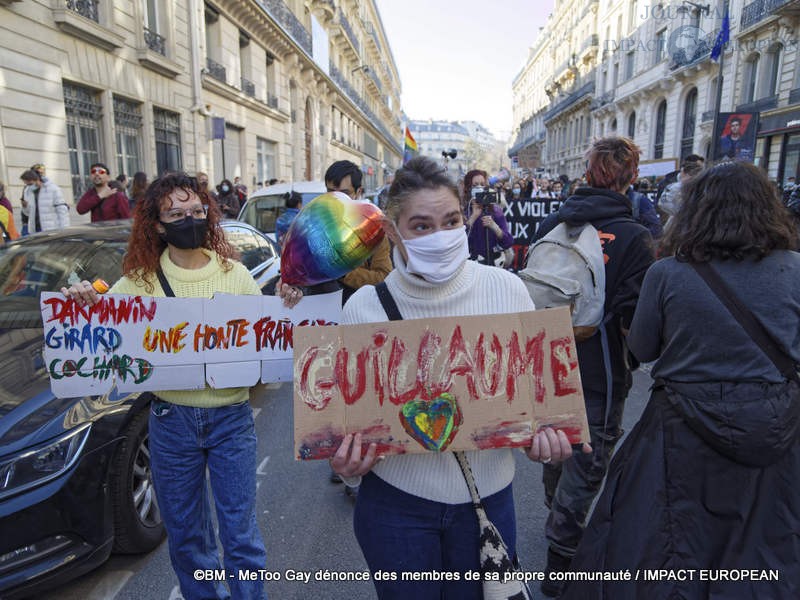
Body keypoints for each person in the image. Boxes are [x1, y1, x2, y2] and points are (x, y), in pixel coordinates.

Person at [329, 155, 582, 599]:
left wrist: (546, 445)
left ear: (466, 218)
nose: (441, 237)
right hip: (394, 510)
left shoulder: (507, 290)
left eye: (450, 220)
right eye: (422, 226)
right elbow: (348, 427)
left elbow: (533, 407)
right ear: (393, 232)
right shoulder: (363, 309)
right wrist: (348, 468)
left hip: (486, 505)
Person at [561, 161, 800, 600]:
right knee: (763, 542)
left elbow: (644, 348)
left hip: (677, 433)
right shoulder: (795, 269)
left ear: (695, 212)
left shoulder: (669, 273)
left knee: (665, 544)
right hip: (777, 426)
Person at [60, 172, 268, 600]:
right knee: (189, 539)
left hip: (231, 419)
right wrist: (83, 300)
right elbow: (104, 317)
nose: (188, 219)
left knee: (240, 537)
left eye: (196, 211)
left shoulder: (235, 275)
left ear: (208, 214)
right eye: (176, 213)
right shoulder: (139, 283)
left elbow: (266, 342)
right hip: (171, 423)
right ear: (157, 223)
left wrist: (290, 300)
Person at [532, 136, 655, 598]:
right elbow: (634, 321)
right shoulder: (634, 237)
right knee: (587, 462)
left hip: (547, 361)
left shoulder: (554, 222)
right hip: (600, 371)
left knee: (554, 446)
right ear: (631, 177)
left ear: (586, 173)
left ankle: (554, 517)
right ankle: (561, 560)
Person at [324, 160, 392, 304]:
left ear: (358, 192)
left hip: (358, 312)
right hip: (320, 313)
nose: (336, 200)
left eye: (344, 193)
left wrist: (342, 272)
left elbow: (383, 278)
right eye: (331, 193)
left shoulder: (372, 229)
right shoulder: (314, 226)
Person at [463, 169, 514, 268]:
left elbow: (508, 242)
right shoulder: (461, 211)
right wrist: (473, 218)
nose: (479, 187)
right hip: (468, 266)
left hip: (491, 265)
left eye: (482, 184)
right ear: (468, 187)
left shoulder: (495, 211)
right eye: (475, 185)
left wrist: (494, 227)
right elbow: (457, 239)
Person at [659, 155, 705, 229]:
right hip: (674, 225)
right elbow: (662, 204)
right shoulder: (670, 182)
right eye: (698, 167)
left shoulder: (702, 185)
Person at [20, 168, 70, 232]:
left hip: (51, 229)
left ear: (37, 180)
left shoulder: (53, 189)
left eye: (30, 184)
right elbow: (28, 213)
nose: (28, 186)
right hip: (35, 229)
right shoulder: (27, 191)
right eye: (26, 184)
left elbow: (62, 211)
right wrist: (24, 207)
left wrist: (64, 230)